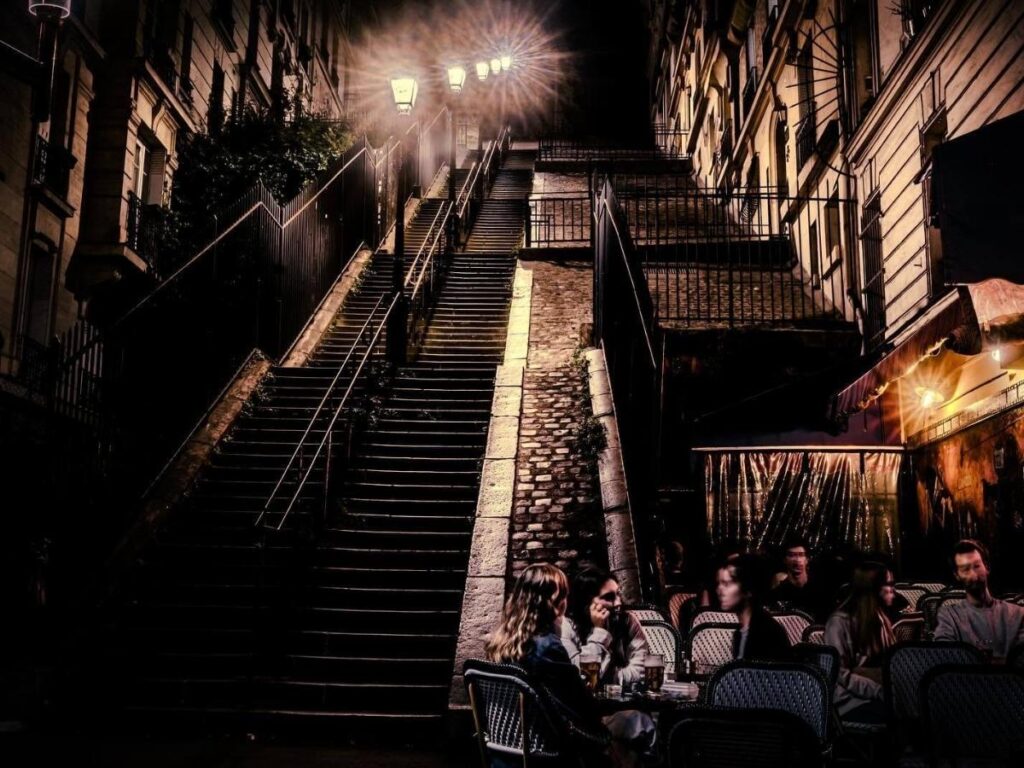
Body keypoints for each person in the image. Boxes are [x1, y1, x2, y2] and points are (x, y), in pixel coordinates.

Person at [484, 564, 609, 764]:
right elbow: (585, 706)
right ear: (554, 603)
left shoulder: (497, 644)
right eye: (564, 596)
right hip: (546, 754)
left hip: (503, 755)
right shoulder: (547, 646)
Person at [824, 562, 894, 723]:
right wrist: (880, 690)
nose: (893, 591)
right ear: (872, 588)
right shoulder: (839, 623)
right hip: (849, 702)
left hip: (878, 695)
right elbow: (841, 675)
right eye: (888, 585)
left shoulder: (881, 619)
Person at [933, 539, 1024, 661]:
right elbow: (944, 656)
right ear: (957, 575)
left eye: (977, 566)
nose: (973, 575)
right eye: (965, 569)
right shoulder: (949, 616)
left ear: (987, 567)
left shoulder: (1017, 614)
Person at [561, 566, 648, 687]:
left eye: (618, 594)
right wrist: (599, 631)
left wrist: (602, 678)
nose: (618, 603)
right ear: (586, 602)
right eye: (609, 597)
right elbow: (582, 676)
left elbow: (641, 672)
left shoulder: (628, 620)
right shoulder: (565, 627)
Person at [717, 553, 791, 661]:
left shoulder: (766, 633)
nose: (719, 590)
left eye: (727, 584)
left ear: (748, 590)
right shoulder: (740, 633)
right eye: (719, 583)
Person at [771, 535, 830, 621]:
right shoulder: (779, 593)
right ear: (785, 559)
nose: (797, 559)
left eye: (801, 555)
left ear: (807, 559)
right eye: (791, 555)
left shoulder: (819, 590)